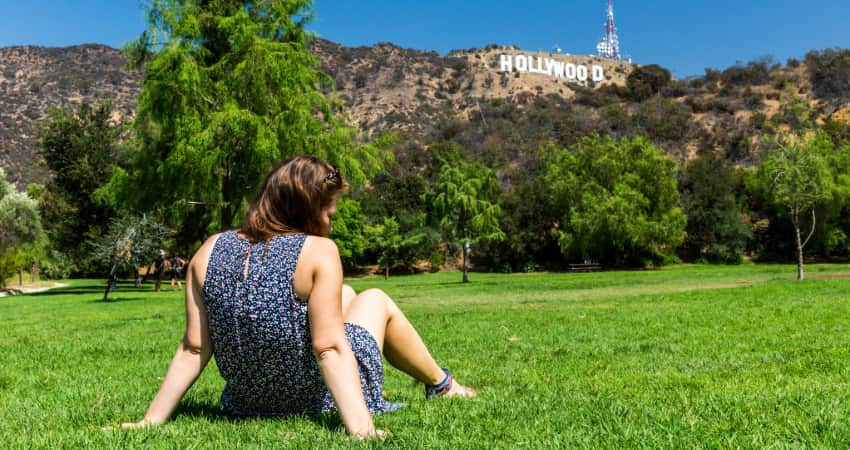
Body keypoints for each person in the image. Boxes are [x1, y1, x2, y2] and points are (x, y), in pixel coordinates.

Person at [120, 156, 475, 439]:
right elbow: (330, 348)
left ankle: (440, 384)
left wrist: (150, 421)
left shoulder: (209, 250)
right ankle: (442, 384)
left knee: (347, 294)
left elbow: (193, 349)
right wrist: (362, 430)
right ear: (306, 208)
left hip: (247, 403)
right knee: (376, 298)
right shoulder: (319, 251)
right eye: (328, 213)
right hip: (317, 398)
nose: (330, 223)